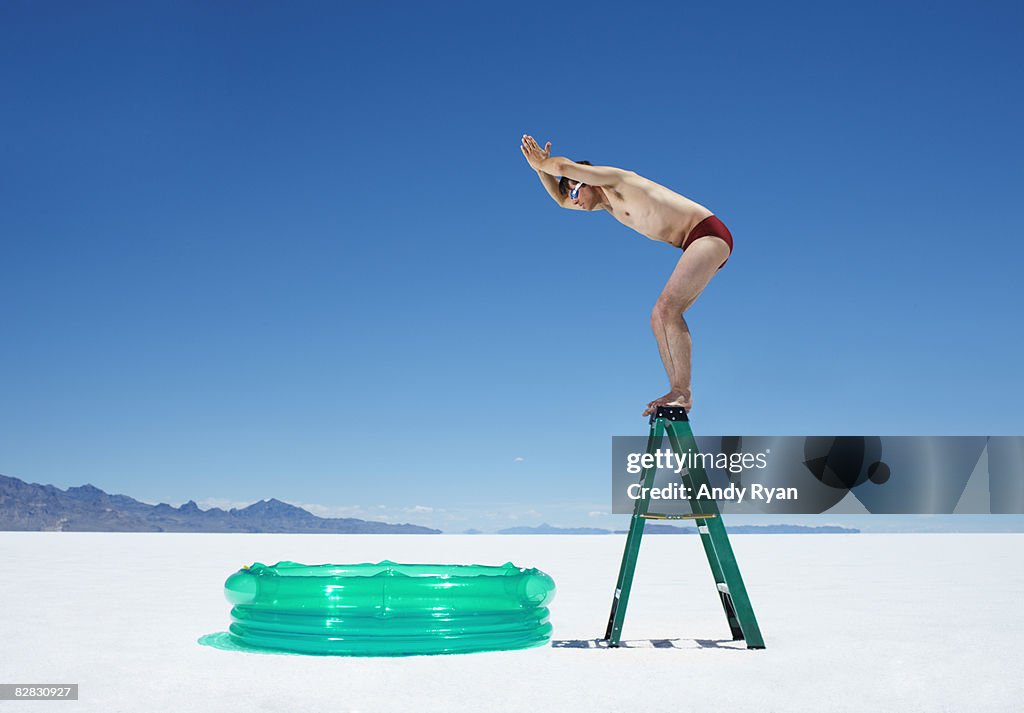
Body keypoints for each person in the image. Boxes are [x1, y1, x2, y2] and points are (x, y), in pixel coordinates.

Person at [520, 134, 733, 416]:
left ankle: (682, 392)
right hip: (694, 244)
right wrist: (538, 170)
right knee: (661, 316)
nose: (575, 202)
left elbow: (562, 168)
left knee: (665, 310)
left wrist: (545, 162)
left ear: (585, 181)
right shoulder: (609, 206)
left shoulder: (617, 180)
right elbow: (560, 201)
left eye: (574, 193)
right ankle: (678, 390)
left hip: (706, 234)